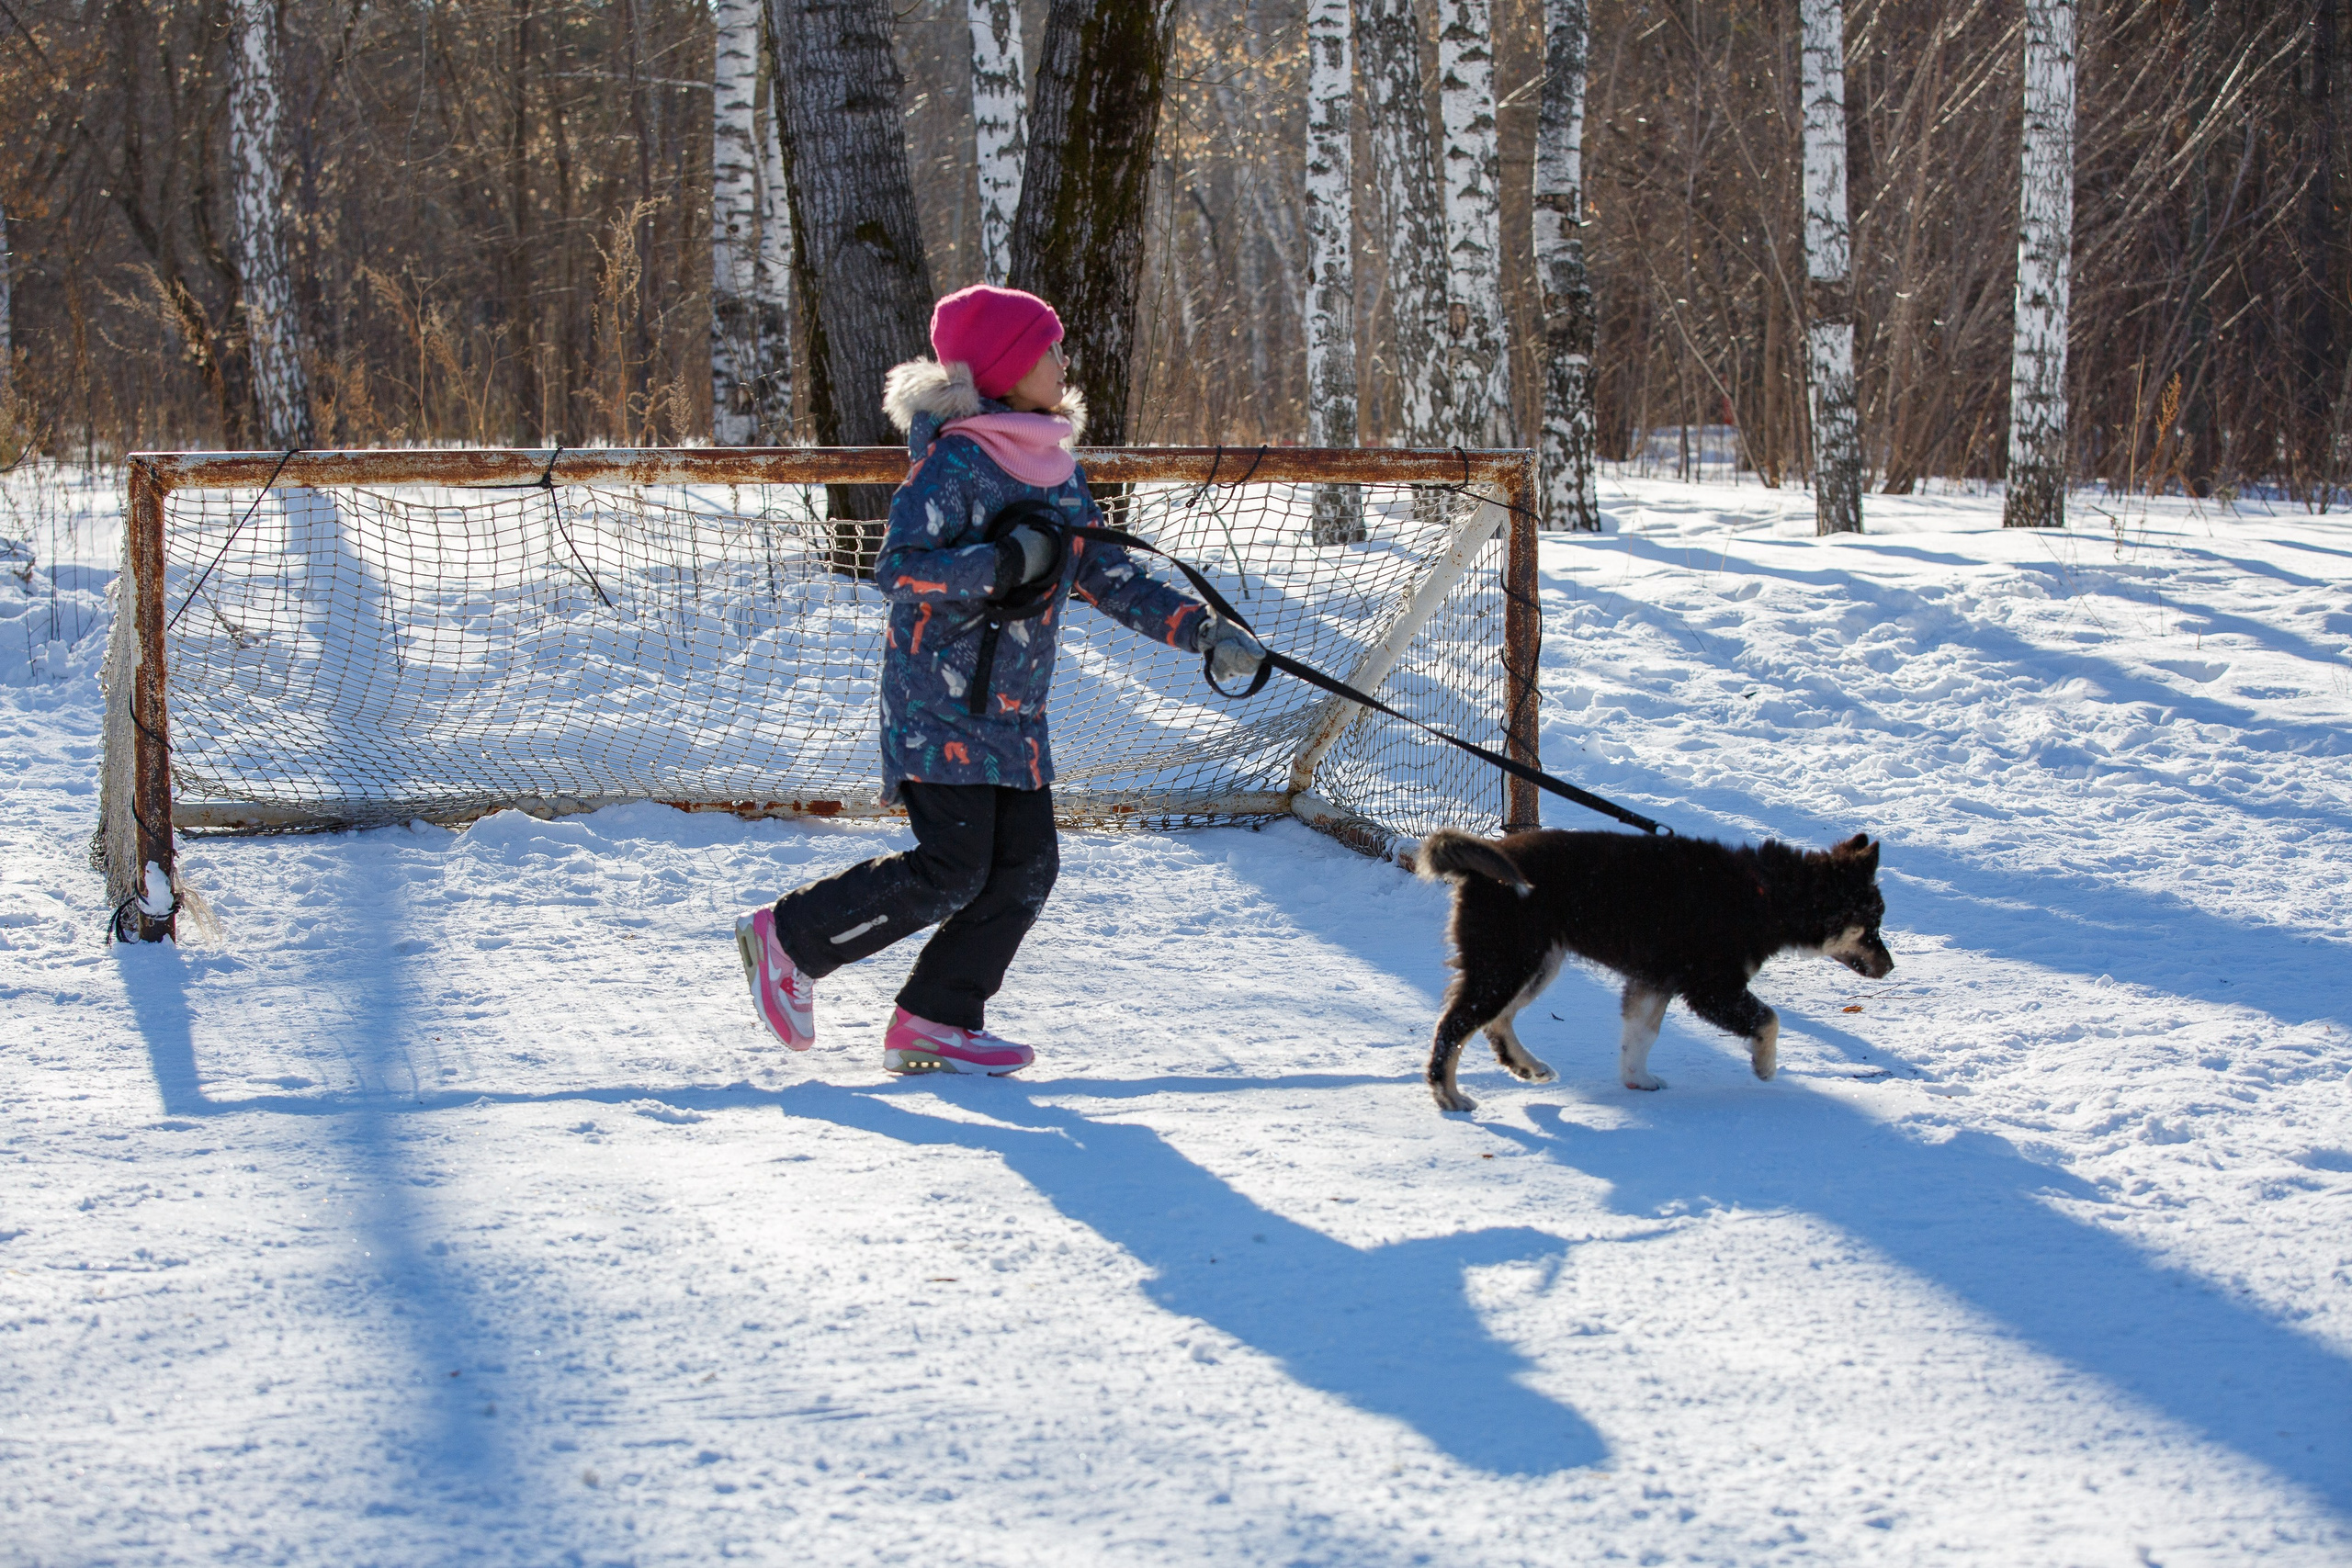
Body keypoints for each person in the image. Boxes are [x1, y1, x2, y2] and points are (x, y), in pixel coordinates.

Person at [733, 283, 1267, 1075]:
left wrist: (1202, 631)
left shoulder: (1055, 467)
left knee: (1026, 869)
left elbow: (1107, 575)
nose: (1063, 363)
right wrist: (1006, 563)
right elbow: (899, 570)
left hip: (1014, 712)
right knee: (953, 868)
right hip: (936, 705)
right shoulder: (955, 462)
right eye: (1048, 349)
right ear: (1005, 367)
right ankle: (791, 937)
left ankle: (937, 1016)